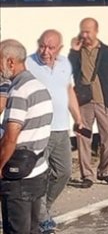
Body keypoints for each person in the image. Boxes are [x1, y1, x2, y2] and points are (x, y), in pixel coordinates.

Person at [26, 30, 84, 234]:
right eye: (42, 45)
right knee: (39, 174)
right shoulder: (28, 64)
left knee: (64, 172)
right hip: (39, 130)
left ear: (59, 48)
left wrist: (78, 117)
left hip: (61, 129)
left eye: (50, 47)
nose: (45, 51)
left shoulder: (64, 64)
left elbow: (68, 90)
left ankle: (43, 209)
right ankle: (42, 218)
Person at [0, 39, 53, 234]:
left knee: (16, 230)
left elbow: (11, 137)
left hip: (18, 177)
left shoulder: (18, 91)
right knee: (33, 229)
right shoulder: (38, 86)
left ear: (10, 62)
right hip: (38, 170)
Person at [69, 17, 108, 188]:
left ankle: (104, 171)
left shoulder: (107, 51)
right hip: (84, 101)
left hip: (104, 100)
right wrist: (74, 52)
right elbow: (68, 70)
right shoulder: (78, 52)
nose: (84, 35)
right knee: (83, 138)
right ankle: (87, 175)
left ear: (96, 31)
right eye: (82, 31)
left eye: (88, 31)